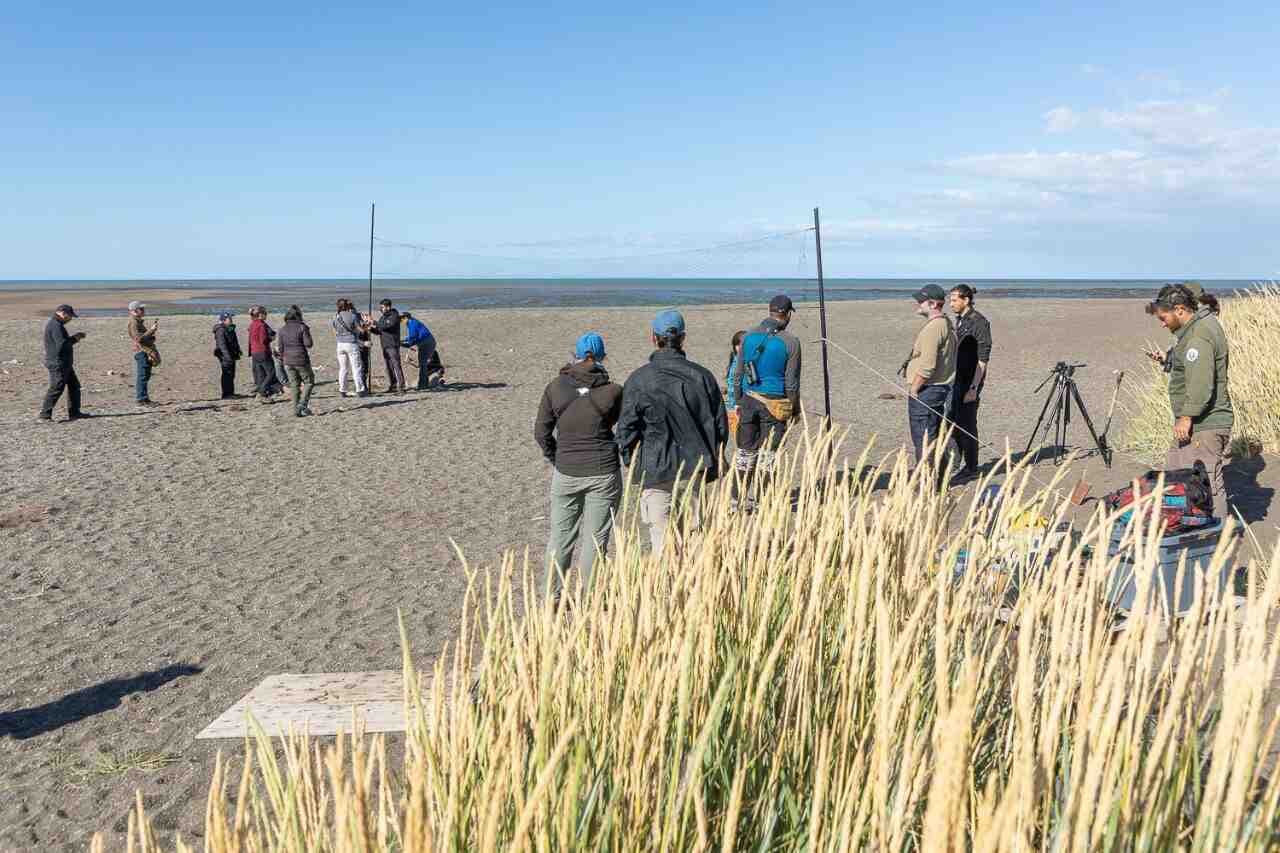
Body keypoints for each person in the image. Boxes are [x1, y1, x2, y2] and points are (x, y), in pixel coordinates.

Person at [616, 309, 729, 553]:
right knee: (695, 535)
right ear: (683, 338)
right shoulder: (702, 376)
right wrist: (713, 461)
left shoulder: (639, 379)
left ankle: (668, 587)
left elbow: (625, 429)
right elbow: (721, 426)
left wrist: (632, 460)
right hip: (693, 466)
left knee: (662, 540)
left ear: (653, 338)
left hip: (657, 469)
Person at [534, 332, 624, 596]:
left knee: (560, 538)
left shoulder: (555, 386)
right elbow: (623, 427)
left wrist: (556, 457)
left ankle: (551, 597)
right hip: (603, 470)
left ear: (575, 355)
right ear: (602, 358)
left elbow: (541, 433)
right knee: (596, 541)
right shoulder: (614, 391)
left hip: (567, 470)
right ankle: (591, 598)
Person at [1145, 283, 1233, 519]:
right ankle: (1186, 528)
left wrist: (1186, 418)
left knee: (1207, 485)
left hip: (1204, 424)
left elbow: (1201, 383)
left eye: (1164, 317)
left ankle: (1217, 535)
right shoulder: (1198, 330)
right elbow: (1193, 366)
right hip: (1198, 422)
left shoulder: (1199, 335)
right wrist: (1169, 360)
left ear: (1180, 309)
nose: (1162, 324)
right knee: (1175, 474)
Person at [734, 295, 802, 507]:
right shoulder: (791, 342)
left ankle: (738, 500)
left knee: (745, 452)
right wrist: (794, 409)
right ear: (788, 314)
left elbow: (738, 374)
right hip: (774, 403)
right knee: (767, 457)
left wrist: (738, 400)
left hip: (748, 400)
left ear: (770, 311)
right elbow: (791, 382)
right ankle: (762, 502)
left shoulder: (748, 336)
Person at [902, 284, 958, 471]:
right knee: (931, 436)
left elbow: (927, 365)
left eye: (922, 301)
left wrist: (914, 388)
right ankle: (936, 478)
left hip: (928, 390)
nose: (918, 303)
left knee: (924, 439)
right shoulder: (944, 323)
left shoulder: (935, 327)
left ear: (933, 304)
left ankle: (926, 483)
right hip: (937, 389)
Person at [947, 285, 993, 479]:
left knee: (967, 424)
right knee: (951, 421)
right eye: (950, 300)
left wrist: (974, 388)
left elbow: (983, 360)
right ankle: (955, 462)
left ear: (966, 300)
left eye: (954, 300)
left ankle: (972, 468)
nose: (951, 303)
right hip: (955, 380)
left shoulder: (979, 322)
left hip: (969, 382)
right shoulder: (959, 320)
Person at [38, 304, 89, 422]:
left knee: (74, 386)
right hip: (58, 362)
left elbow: (62, 343)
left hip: (63, 362)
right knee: (57, 387)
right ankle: (45, 415)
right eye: (70, 316)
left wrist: (74, 339)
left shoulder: (57, 324)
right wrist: (76, 338)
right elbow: (62, 344)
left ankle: (75, 413)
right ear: (63, 313)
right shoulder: (55, 325)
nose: (70, 319)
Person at [278, 305, 316, 417]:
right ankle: (302, 405)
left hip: (287, 361)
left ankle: (296, 409)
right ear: (298, 316)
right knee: (309, 382)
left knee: (294, 385)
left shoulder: (282, 329)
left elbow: (280, 348)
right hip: (301, 359)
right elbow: (309, 344)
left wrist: (283, 357)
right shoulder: (302, 327)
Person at [331, 298, 368, 398]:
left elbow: (334, 331)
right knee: (356, 368)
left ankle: (342, 390)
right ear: (347, 306)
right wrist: (366, 324)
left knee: (343, 368)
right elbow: (361, 330)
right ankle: (360, 390)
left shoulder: (335, 317)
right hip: (351, 343)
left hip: (340, 344)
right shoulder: (352, 316)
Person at [127, 300, 160, 406]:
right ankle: (141, 399)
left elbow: (142, 338)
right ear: (134, 311)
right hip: (142, 352)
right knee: (142, 376)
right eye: (141, 309)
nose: (143, 310)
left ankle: (144, 399)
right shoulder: (134, 323)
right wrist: (151, 330)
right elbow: (139, 339)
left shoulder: (137, 322)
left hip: (143, 351)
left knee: (145, 375)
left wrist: (151, 334)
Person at [248, 306, 282, 401]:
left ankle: (263, 392)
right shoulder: (261, 325)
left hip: (254, 352)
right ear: (260, 315)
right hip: (262, 351)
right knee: (271, 373)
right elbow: (263, 340)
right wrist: (271, 338)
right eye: (265, 313)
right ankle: (262, 392)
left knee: (260, 374)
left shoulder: (252, 324)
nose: (266, 315)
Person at [400, 312, 438, 390]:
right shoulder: (411, 323)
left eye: (402, 319)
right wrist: (403, 340)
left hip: (427, 343)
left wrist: (402, 344)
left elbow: (413, 338)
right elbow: (411, 337)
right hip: (424, 343)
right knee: (422, 364)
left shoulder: (413, 323)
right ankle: (423, 383)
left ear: (406, 318)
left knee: (423, 364)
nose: (401, 321)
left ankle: (423, 385)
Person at [374, 299, 405, 394]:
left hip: (392, 345)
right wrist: (370, 328)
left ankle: (401, 386)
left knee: (396, 365)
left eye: (382, 307)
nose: (381, 309)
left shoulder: (394, 316)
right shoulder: (383, 317)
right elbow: (379, 330)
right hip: (385, 345)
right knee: (389, 367)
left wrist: (374, 322)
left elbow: (386, 326)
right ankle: (393, 385)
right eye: (380, 307)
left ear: (388, 307)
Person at [212, 311, 243, 399]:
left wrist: (238, 349)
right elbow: (222, 345)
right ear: (223, 320)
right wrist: (227, 356)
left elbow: (234, 340)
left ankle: (231, 392)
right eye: (229, 318)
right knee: (227, 374)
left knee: (231, 374)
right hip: (224, 355)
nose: (231, 320)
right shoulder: (220, 330)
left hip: (231, 354)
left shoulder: (229, 328)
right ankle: (226, 394)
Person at [724, 330, 746, 437]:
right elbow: (733, 386)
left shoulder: (739, 361)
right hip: (734, 409)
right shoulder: (736, 362)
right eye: (738, 345)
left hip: (735, 408)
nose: (741, 348)